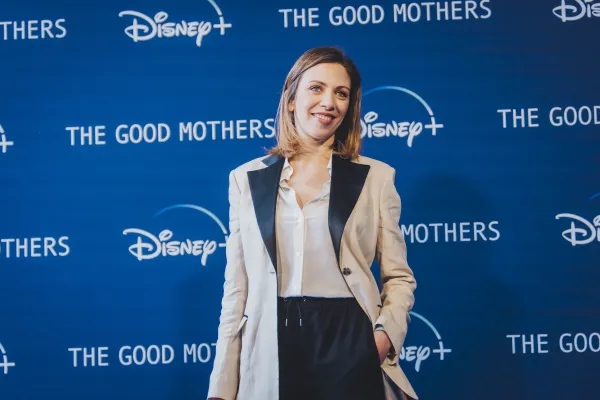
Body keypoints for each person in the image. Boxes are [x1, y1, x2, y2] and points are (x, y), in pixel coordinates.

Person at [207, 46, 417, 400]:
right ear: (291, 100)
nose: (329, 102)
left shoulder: (377, 178)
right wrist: (222, 386)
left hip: (351, 340)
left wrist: (383, 337)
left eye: (341, 93)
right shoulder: (245, 179)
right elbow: (237, 289)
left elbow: (399, 277)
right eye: (316, 88)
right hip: (272, 340)